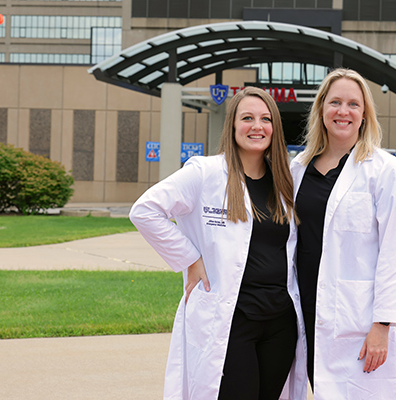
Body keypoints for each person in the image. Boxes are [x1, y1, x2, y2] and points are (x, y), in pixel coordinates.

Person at [129, 87, 307, 400]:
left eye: (266, 119)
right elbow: (145, 210)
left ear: (275, 129)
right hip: (230, 322)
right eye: (248, 118)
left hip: (279, 323)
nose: (257, 126)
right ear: (233, 125)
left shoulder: (285, 181)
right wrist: (189, 258)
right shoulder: (206, 173)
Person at [291, 68, 396, 399]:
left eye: (353, 104)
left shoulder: (383, 170)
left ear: (364, 114)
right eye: (335, 102)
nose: (343, 112)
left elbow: (394, 252)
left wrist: (382, 325)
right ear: (321, 110)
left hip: (356, 320)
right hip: (305, 311)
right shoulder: (297, 168)